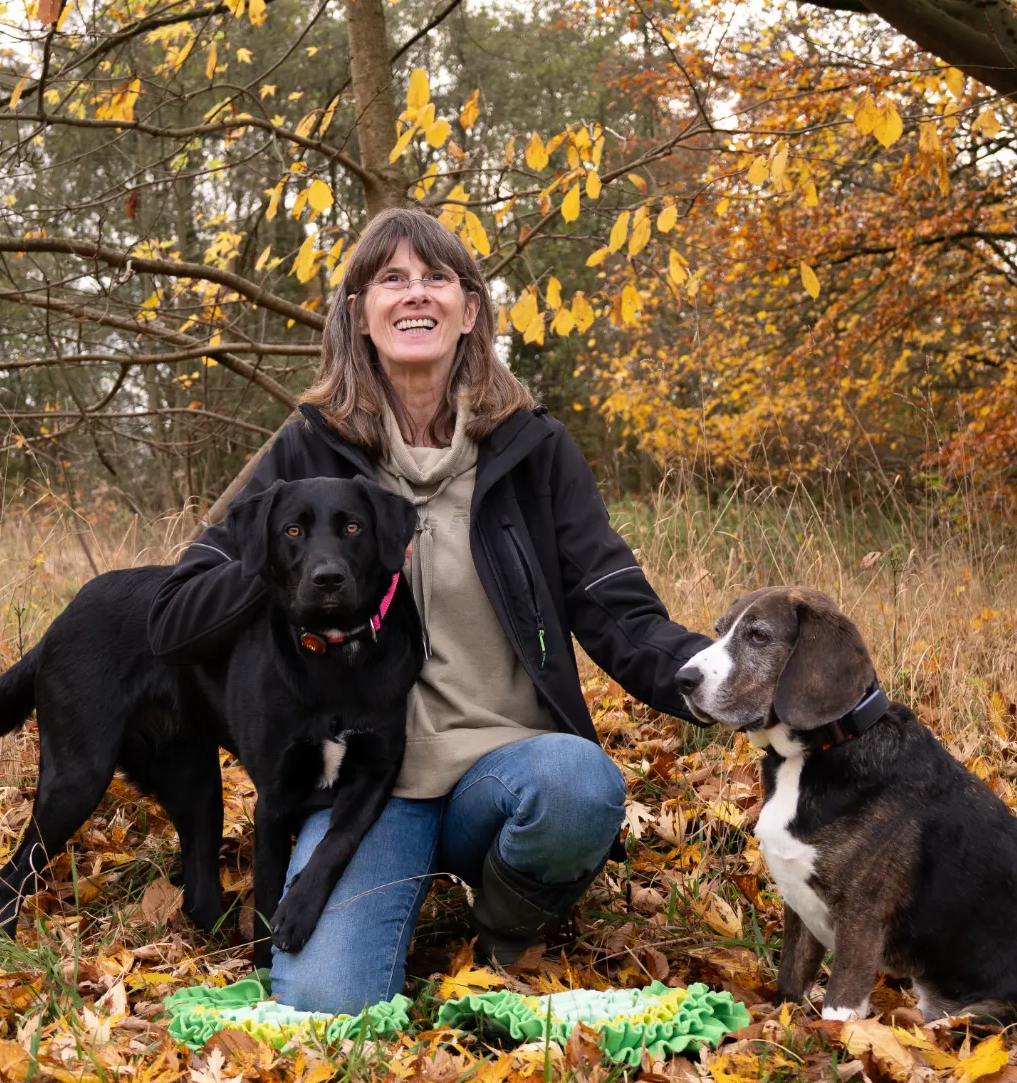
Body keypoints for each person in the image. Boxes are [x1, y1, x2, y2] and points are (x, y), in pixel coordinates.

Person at [144, 208, 710, 1015]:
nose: (416, 295)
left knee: (579, 784)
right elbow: (172, 617)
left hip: (505, 766)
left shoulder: (531, 449)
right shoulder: (306, 452)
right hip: (367, 790)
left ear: (469, 309)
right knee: (323, 999)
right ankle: (387, 892)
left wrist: (713, 679)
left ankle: (504, 932)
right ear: (357, 314)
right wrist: (290, 560)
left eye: (437, 277)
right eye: (390, 279)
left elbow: (616, 606)